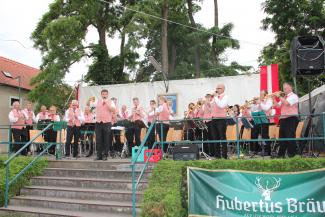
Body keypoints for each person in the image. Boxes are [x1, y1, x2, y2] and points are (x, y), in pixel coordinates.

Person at [274, 83, 299, 158]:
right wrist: (273, 98)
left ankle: (291, 155)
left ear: (290, 88)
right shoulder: (284, 97)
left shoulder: (294, 96)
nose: (284, 90)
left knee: (290, 137)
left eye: (285, 88)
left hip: (291, 118)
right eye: (284, 88)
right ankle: (281, 155)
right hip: (283, 119)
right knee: (282, 138)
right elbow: (277, 106)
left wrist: (279, 96)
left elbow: (287, 103)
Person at [250, 91, 273, 156]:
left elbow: (265, 108)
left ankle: (268, 151)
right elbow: (254, 110)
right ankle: (259, 150)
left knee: (265, 135)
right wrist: (254, 103)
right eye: (260, 94)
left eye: (261, 94)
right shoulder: (260, 101)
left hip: (265, 119)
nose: (260, 96)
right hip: (259, 120)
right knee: (257, 135)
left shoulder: (269, 100)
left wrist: (260, 103)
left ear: (265, 95)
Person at [95, 89, 115, 161]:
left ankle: (105, 155)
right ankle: (99, 155)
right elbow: (90, 105)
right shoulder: (97, 101)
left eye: (105, 94)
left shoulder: (111, 101)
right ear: (101, 94)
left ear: (107, 95)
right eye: (103, 94)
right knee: (98, 139)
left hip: (107, 122)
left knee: (106, 139)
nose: (104, 95)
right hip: (98, 122)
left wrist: (107, 103)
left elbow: (113, 110)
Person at [210, 84, 229, 159]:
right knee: (215, 138)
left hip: (221, 119)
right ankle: (217, 156)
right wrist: (209, 100)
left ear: (223, 89)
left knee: (222, 137)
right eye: (216, 88)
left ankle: (224, 156)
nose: (217, 89)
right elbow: (211, 107)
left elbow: (221, 105)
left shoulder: (226, 97)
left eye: (219, 88)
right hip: (214, 119)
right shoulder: (215, 97)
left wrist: (215, 97)